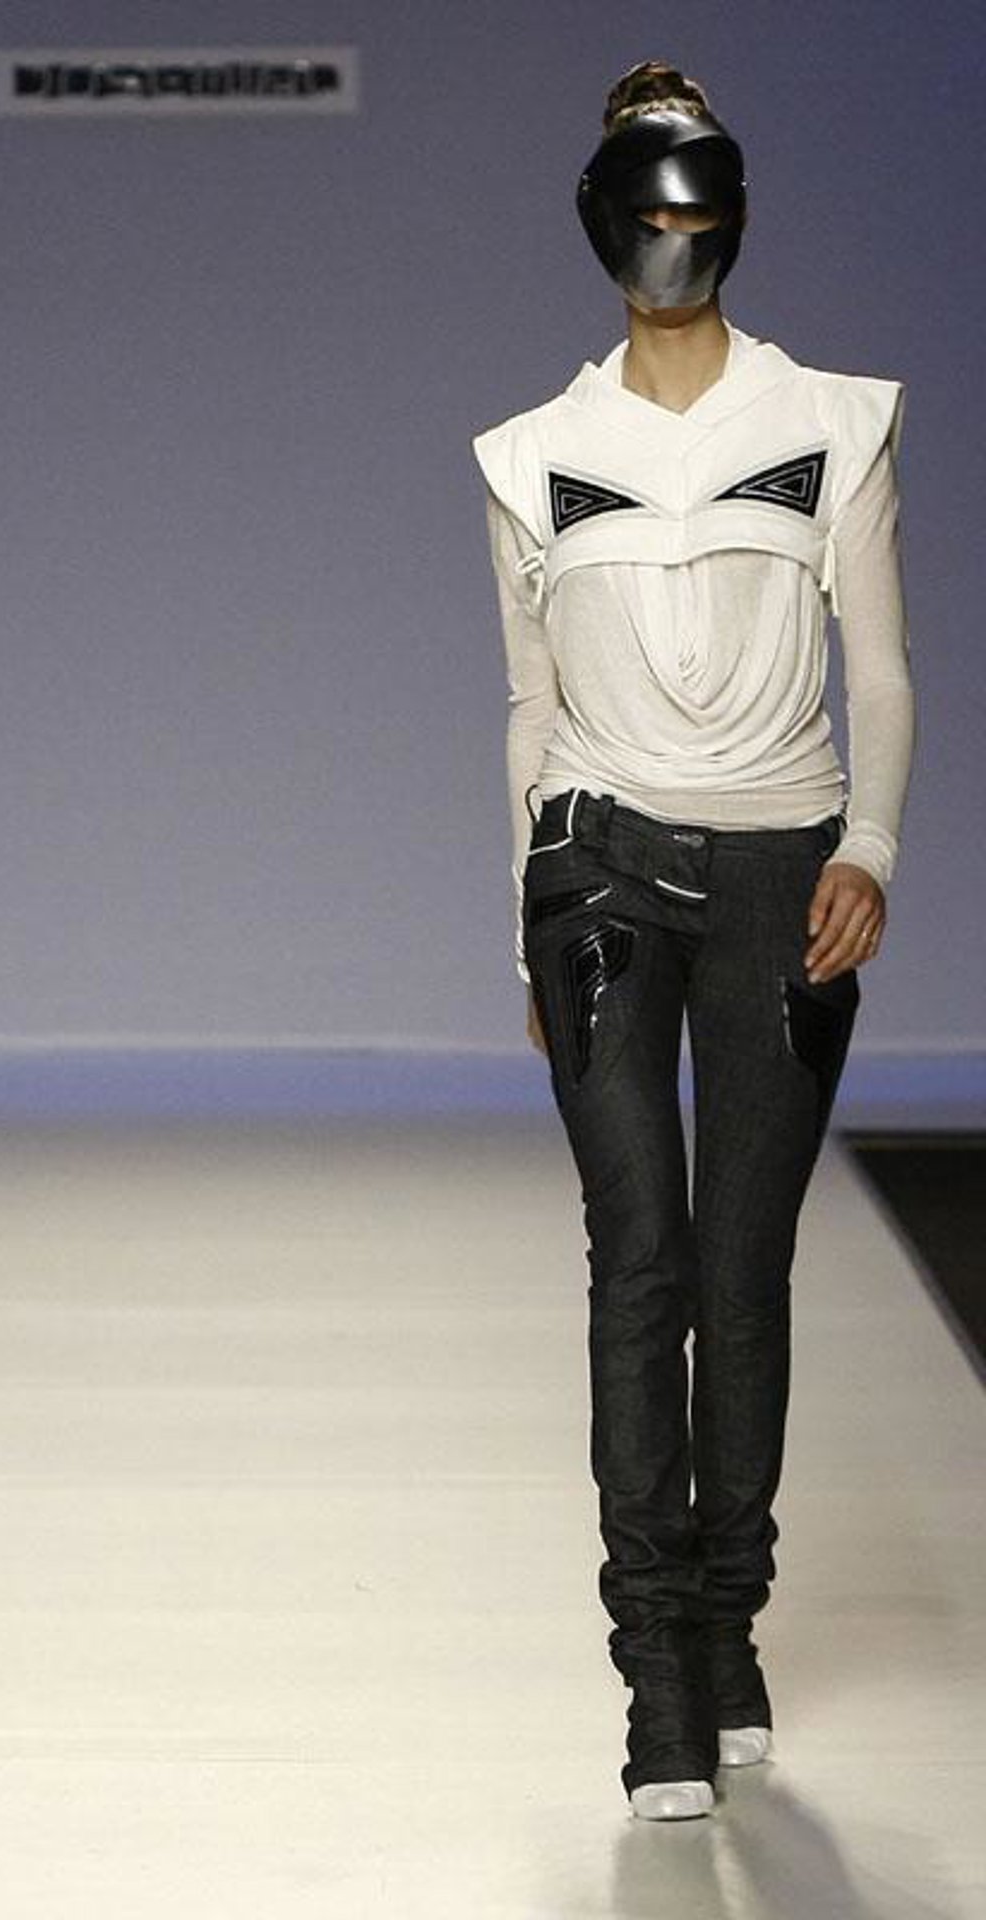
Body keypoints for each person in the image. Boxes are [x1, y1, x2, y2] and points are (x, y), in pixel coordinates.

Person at [473, 62, 913, 1820]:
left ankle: (729, 1623)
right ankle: (658, 1663)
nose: (673, 223)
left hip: (785, 871)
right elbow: (529, 708)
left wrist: (869, 845)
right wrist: (518, 917)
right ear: (604, 211)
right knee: (638, 1259)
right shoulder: (531, 456)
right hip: (595, 870)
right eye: (645, 190)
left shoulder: (835, 422)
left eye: (696, 187)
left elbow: (881, 666)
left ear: (729, 200)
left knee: (742, 1270)